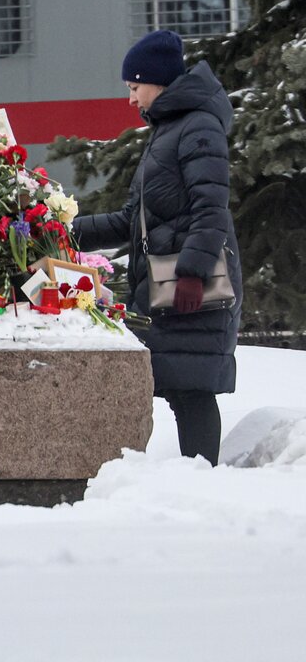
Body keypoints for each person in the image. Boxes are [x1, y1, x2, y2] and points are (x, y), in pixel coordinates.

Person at [74, 29, 242, 465]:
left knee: (192, 388)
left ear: (159, 81)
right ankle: (195, 475)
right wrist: (65, 231)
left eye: (134, 87)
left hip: (189, 283)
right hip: (172, 280)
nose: (130, 98)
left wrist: (193, 272)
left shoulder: (197, 127)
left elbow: (212, 207)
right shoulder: (169, 130)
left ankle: (203, 479)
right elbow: (134, 219)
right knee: (180, 386)